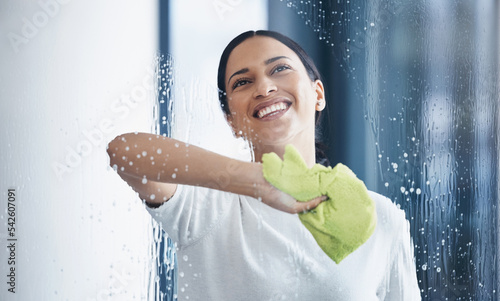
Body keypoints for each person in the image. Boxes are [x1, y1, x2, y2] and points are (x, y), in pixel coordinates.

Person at [107, 30, 421, 300]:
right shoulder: (207, 207)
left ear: (318, 93)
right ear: (232, 121)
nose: (264, 88)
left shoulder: (382, 218)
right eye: (242, 82)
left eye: (280, 69)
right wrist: (256, 181)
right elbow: (124, 151)